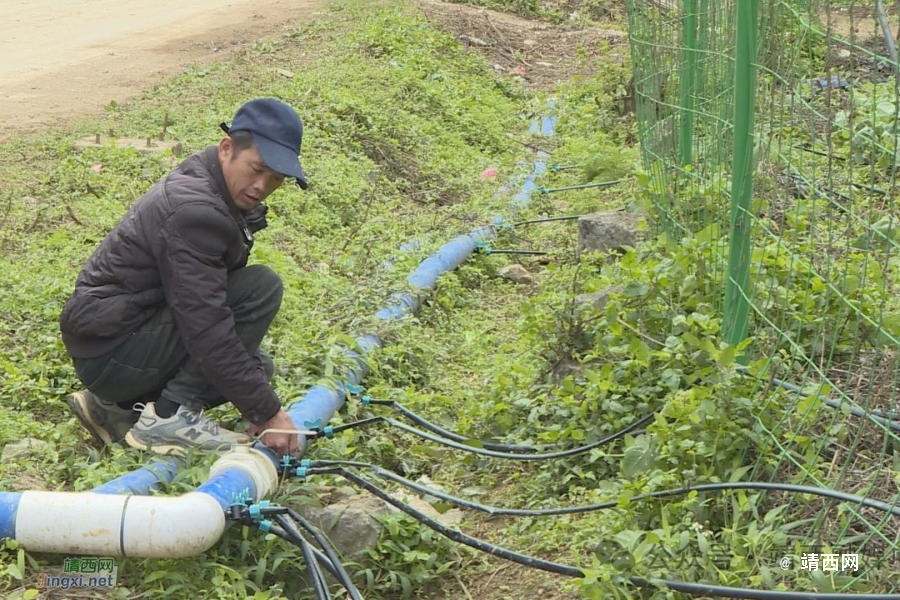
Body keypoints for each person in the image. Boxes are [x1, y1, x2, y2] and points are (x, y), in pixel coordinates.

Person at [59, 98, 307, 457]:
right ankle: (169, 415)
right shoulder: (194, 211)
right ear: (226, 149)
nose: (262, 186)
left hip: (114, 342)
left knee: (257, 368)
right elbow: (206, 324)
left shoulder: (209, 181)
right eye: (256, 169)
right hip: (111, 354)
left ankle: (114, 410)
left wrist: (257, 399)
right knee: (261, 287)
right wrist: (268, 413)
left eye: (275, 179)